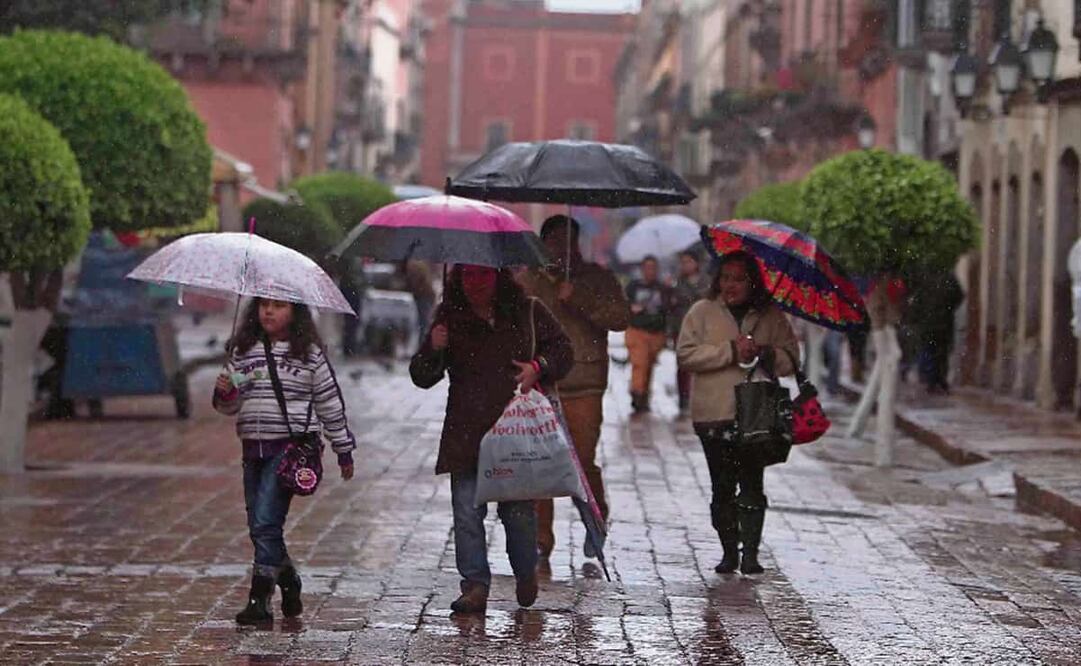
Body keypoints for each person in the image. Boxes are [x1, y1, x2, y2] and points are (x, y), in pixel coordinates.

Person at [410, 265, 573, 613]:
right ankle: (474, 586)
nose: (475, 283)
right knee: (467, 516)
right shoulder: (449, 316)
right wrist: (434, 348)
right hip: (466, 433)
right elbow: (423, 376)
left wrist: (538, 367)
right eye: (468, 276)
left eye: (482, 275)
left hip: (515, 433)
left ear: (498, 275)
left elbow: (563, 350)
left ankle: (525, 570)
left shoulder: (527, 311)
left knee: (518, 517)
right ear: (457, 279)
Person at [213, 298, 356, 625]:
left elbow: (329, 401)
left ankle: (259, 598)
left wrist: (343, 448)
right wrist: (225, 391)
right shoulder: (243, 351)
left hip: (289, 449)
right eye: (264, 304)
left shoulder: (308, 355)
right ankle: (289, 579)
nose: (269, 311)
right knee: (258, 524)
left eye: (278, 305)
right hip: (253, 449)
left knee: (265, 522)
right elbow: (228, 407)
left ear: (295, 312)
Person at [677, 251, 798, 575]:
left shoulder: (770, 316)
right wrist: (730, 351)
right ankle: (729, 550)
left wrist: (765, 353)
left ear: (753, 282)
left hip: (755, 412)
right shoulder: (701, 312)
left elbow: (791, 358)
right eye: (726, 277)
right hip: (713, 414)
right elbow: (686, 355)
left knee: (752, 483)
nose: (731, 285)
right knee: (722, 485)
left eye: (739, 279)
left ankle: (751, 553)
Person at [518, 215, 629, 560]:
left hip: (584, 382)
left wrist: (578, 297)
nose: (561, 249)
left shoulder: (597, 279)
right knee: (541, 463)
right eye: (554, 241)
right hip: (542, 383)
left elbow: (620, 317)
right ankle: (540, 539)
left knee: (582, 460)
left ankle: (595, 521)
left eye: (568, 241)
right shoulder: (528, 281)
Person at [625, 255, 673, 413]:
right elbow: (622, 304)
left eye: (653, 268)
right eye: (647, 267)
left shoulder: (662, 288)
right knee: (640, 363)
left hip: (656, 332)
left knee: (649, 364)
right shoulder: (633, 287)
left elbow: (669, 308)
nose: (650, 271)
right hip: (637, 330)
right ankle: (637, 392)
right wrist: (631, 309)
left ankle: (643, 395)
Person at [911, 270, 965, 394]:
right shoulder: (949, 276)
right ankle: (940, 380)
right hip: (944, 321)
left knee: (929, 349)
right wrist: (948, 308)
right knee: (942, 351)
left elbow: (916, 301)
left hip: (927, 322)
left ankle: (931, 381)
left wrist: (918, 316)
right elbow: (959, 296)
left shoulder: (924, 277)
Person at [670, 251, 711, 413]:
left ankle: (701, 396)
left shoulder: (706, 281)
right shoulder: (677, 282)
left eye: (689, 261)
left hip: (702, 328)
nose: (686, 265)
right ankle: (683, 397)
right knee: (683, 364)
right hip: (681, 327)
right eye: (683, 262)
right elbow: (673, 305)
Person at [404, 259, 437, 345]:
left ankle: (422, 345)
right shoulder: (418, 263)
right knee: (422, 323)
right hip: (423, 295)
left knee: (423, 323)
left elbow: (418, 282)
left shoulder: (415, 264)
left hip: (423, 296)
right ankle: (421, 345)